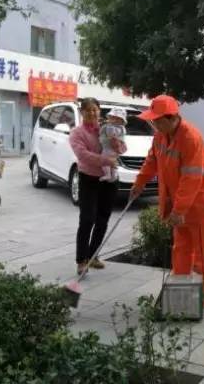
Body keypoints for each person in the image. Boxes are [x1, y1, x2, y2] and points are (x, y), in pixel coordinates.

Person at [130, 95, 204, 307]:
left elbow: (192, 178)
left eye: (157, 120)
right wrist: (139, 183)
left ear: (172, 118)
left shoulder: (190, 138)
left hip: (203, 203)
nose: (154, 124)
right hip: (180, 204)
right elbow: (151, 161)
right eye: (152, 120)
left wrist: (178, 210)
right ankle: (180, 289)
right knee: (181, 248)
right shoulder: (160, 136)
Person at [69, 98, 126, 275]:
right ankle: (81, 260)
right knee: (87, 219)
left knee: (102, 219)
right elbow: (82, 155)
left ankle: (93, 256)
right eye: (88, 110)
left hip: (109, 181)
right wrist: (106, 160)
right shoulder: (77, 133)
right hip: (89, 179)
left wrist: (118, 144)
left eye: (95, 110)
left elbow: (123, 149)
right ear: (82, 112)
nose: (92, 113)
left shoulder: (108, 127)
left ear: (100, 111)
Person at [100, 108, 127, 182]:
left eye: (117, 119)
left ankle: (108, 174)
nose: (114, 120)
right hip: (116, 150)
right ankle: (113, 175)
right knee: (113, 162)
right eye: (113, 118)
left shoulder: (109, 127)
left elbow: (105, 136)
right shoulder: (122, 129)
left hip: (108, 149)